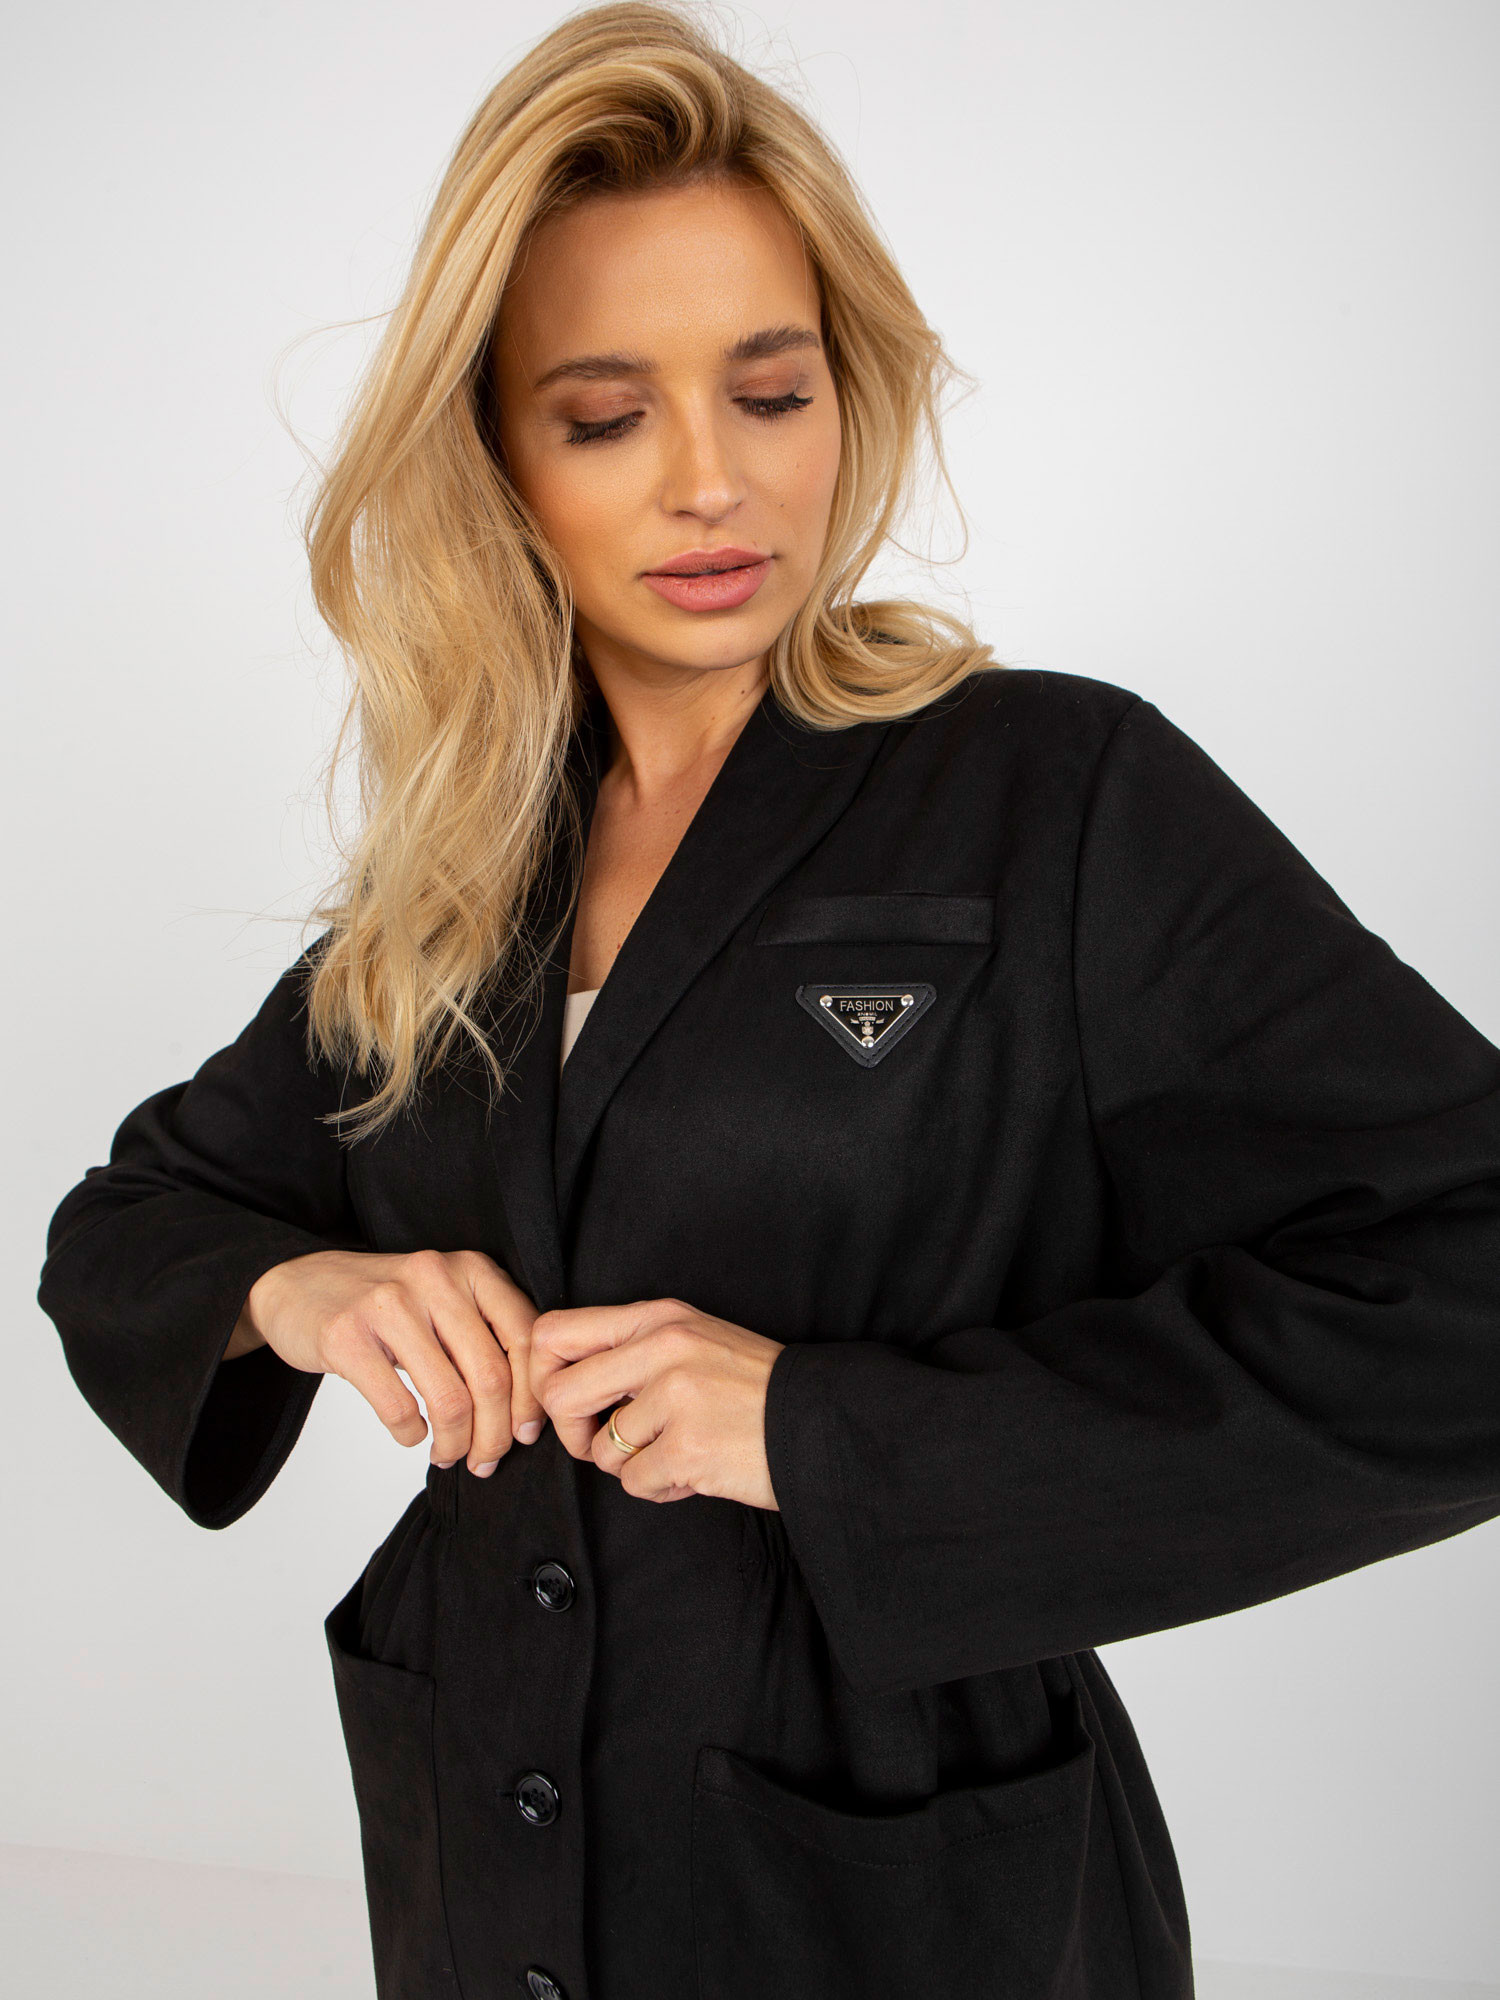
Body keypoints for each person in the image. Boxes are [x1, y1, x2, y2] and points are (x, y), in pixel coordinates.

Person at [37, 6, 1500, 1998]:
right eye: (605, 414)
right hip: (492, 1884)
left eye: (770, 389)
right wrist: (305, 1291)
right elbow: (132, 1223)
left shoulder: (1055, 794)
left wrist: (827, 1433)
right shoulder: (461, 879)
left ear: (845, 398)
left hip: (903, 1903)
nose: (713, 481)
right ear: (496, 455)